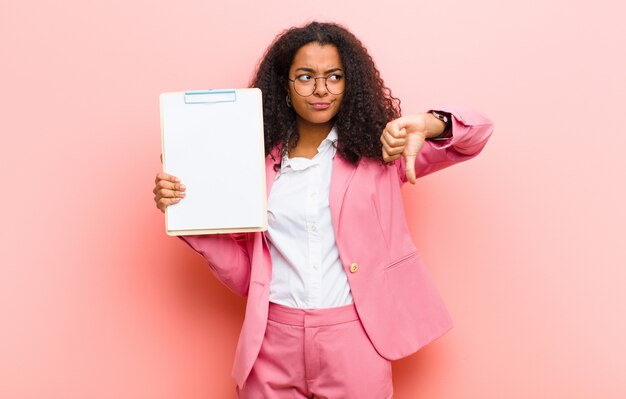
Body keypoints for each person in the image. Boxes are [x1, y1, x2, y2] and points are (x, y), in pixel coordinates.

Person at [153, 21, 493, 399]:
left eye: (334, 76)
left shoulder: (383, 151)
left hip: (356, 338)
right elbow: (246, 278)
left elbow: (477, 134)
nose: (321, 89)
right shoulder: (256, 166)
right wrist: (188, 216)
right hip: (270, 341)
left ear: (350, 84)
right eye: (305, 77)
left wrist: (429, 124)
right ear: (284, 85)